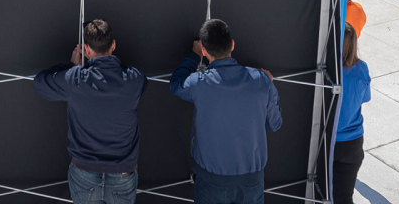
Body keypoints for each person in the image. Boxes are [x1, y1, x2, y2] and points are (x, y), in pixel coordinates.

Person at [33, 19, 147, 204]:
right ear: (114, 45)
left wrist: (71, 66)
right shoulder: (134, 79)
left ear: (86, 49)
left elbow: (40, 83)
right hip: (122, 172)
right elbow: (140, 80)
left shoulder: (75, 79)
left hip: (85, 171)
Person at [170, 19, 282, 204]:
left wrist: (193, 56)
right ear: (232, 44)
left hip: (211, 180)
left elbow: (176, 84)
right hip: (251, 181)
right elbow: (275, 124)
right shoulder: (261, 81)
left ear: (204, 51)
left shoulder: (200, 83)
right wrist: (269, 84)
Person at [333, 26, 370, 204]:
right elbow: (366, 97)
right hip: (353, 142)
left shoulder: (327, 73)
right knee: (345, 196)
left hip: (329, 141)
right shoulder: (362, 68)